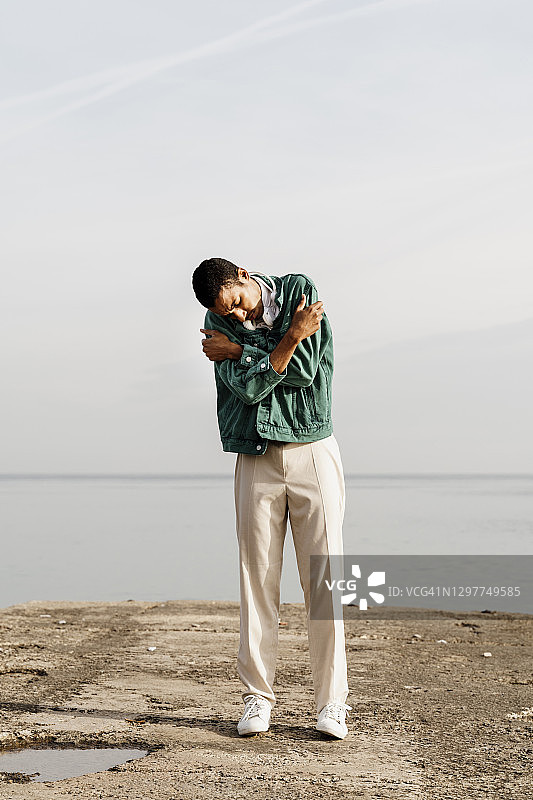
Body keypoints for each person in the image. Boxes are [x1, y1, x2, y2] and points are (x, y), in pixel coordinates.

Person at [191, 257, 351, 739]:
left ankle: (332, 704)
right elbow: (248, 387)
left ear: (243, 275)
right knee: (256, 578)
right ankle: (257, 697)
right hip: (256, 455)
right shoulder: (215, 318)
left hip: (312, 451)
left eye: (236, 303)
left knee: (325, 580)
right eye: (228, 315)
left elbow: (303, 371)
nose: (234, 316)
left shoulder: (299, 288)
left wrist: (239, 348)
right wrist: (278, 343)